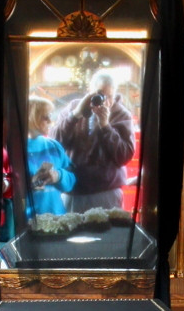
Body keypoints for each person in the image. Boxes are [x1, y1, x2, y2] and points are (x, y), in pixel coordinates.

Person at [54, 70, 135, 212]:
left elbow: (124, 156)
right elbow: (55, 144)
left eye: (110, 96)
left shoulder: (121, 114)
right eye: (100, 94)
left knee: (107, 233)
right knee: (72, 234)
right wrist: (74, 116)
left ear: (116, 93)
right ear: (89, 91)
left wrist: (106, 127)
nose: (105, 101)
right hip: (73, 191)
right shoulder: (73, 107)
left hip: (106, 192)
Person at [25, 96, 75, 216]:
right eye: (45, 117)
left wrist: (58, 176)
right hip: (27, 220)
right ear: (32, 118)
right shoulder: (15, 149)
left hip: (57, 216)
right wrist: (30, 183)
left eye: (50, 116)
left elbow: (71, 179)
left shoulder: (54, 146)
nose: (50, 121)